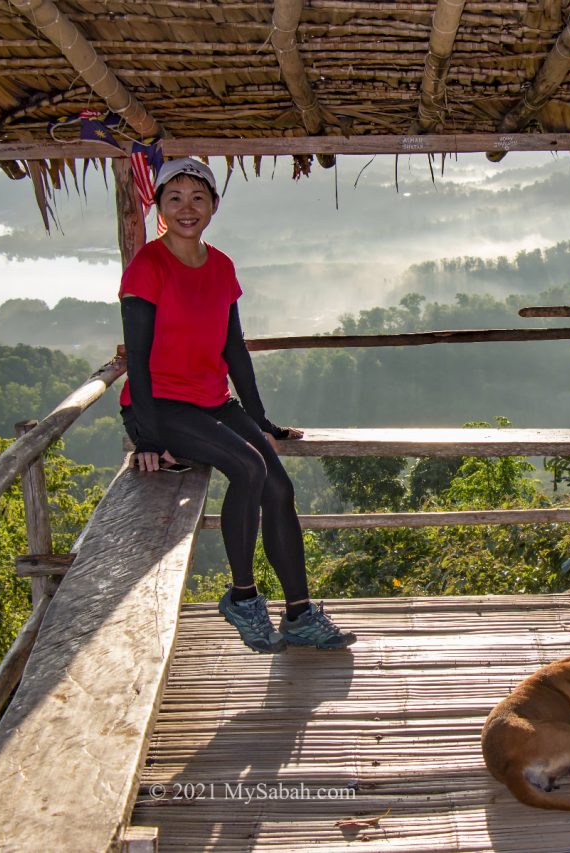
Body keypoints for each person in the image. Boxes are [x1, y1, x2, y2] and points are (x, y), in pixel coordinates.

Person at [118, 157, 354, 653]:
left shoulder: (221, 265)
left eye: (198, 198)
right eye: (175, 198)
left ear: (214, 206)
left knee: (279, 488)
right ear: (159, 205)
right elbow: (136, 356)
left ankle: (299, 613)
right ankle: (243, 598)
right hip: (160, 403)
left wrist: (259, 416)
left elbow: (234, 349)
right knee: (247, 468)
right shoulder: (148, 265)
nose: (187, 208)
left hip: (211, 399)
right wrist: (147, 436)